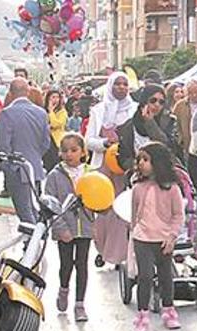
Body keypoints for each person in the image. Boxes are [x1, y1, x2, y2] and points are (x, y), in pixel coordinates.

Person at [130, 141, 185, 331]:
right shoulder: (137, 188)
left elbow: (178, 215)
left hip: (163, 239)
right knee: (144, 276)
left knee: (166, 276)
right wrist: (133, 236)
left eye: (146, 159)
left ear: (158, 162)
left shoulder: (172, 189)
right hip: (142, 238)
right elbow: (134, 215)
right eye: (139, 160)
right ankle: (142, 316)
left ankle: (168, 310)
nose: (141, 164)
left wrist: (172, 236)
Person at [86, 72, 138, 266]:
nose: (122, 87)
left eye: (125, 84)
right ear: (110, 86)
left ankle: (121, 254)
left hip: (126, 167)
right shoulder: (99, 111)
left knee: (123, 210)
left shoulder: (135, 110)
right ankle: (102, 248)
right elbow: (88, 141)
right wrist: (105, 143)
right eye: (117, 84)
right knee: (104, 210)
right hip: (104, 168)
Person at [44, 133, 93, 322]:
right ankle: (64, 289)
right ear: (60, 153)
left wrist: (96, 221)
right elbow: (51, 205)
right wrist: (60, 228)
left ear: (83, 152)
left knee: (82, 265)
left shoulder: (90, 173)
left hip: (85, 228)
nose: (69, 154)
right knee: (66, 265)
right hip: (65, 229)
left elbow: (100, 200)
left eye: (74, 150)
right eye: (65, 151)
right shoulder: (54, 176)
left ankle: (80, 304)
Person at [0, 77, 51, 224]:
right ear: (28, 92)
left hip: (17, 170)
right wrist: (36, 156)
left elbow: (4, 147)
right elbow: (46, 143)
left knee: (25, 211)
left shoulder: (7, 113)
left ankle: (31, 243)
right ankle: (36, 240)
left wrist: (9, 167)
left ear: (10, 93)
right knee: (35, 208)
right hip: (36, 168)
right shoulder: (41, 113)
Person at [118, 84, 182, 167]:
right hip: (139, 174)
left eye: (161, 102)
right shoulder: (129, 126)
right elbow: (123, 157)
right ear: (144, 102)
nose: (157, 105)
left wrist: (150, 123)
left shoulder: (170, 121)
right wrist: (138, 165)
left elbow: (168, 147)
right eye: (153, 100)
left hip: (166, 172)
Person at [173, 80, 197, 189]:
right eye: (191, 93)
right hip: (188, 145)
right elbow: (174, 124)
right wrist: (180, 139)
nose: (194, 95)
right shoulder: (180, 105)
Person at [44, 89, 68, 171]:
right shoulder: (43, 111)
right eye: (53, 97)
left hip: (56, 142)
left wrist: (51, 111)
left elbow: (56, 124)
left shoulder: (62, 112)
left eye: (57, 97)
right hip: (46, 141)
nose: (55, 100)